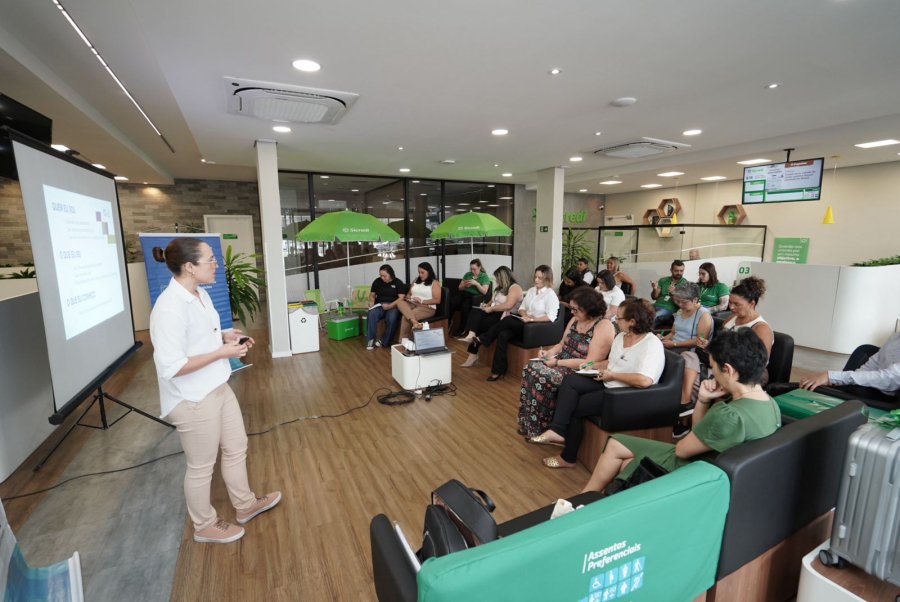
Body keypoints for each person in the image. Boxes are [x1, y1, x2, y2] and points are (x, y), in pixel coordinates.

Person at [149, 237, 280, 544]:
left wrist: (224, 335)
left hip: (217, 385)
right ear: (189, 267)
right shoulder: (168, 309)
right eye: (210, 260)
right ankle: (204, 524)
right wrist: (222, 352)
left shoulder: (200, 295)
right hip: (192, 398)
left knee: (236, 448)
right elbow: (172, 366)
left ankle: (245, 505)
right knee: (201, 466)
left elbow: (197, 337)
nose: (216, 265)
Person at [581, 329, 781, 494]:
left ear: (728, 370)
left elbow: (682, 450)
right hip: (712, 468)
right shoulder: (770, 404)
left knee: (623, 457)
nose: (713, 374)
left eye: (713, 368)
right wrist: (702, 399)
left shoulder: (729, 415)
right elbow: (702, 434)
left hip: (695, 471)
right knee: (617, 446)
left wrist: (705, 402)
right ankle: (586, 499)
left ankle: (584, 501)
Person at [537, 299, 665, 468]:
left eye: (619, 318)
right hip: (611, 381)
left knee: (576, 407)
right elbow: (612, 363)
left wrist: (612, 375)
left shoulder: (651, 344)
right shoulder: (621, 336)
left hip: (627, 394)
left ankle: (567, 457)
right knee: (570, 381)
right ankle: (558, 429)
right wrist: (593, 365)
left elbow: (644, 380)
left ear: (632, 322)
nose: (615, 321)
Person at [518, 288, 615, 439]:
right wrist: (548, 353)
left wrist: (557, 362)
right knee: (529, 369)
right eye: (572, 308)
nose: (572, 312)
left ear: (589, 308)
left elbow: (590, 361)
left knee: (543, 376)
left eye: (576, 309)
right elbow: (562, 344)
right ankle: (530, 423)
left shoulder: (603, 325)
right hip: (561, 361)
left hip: (578, 369)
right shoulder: (576, 319)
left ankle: (544, 427)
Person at [471, 265, 560, 381]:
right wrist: (526, 316)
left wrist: (532, 319)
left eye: (540, 278)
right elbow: (521, 308)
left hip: (536, 328)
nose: (536, 280)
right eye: (535, 277)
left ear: (547, 279)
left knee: (507, 319)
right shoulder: (531, 291)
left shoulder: (550, 295)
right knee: (502, 334)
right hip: (525, 323)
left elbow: (551, 317)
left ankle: (483, 339)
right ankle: (497, 371)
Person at [660, 282, 714, 438]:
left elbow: (699, 340)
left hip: (692, 352)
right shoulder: (679, 311)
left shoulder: (703, 315)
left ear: (695, 299)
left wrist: (675, 343)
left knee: (683, 359)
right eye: (678, 301)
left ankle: (684, 411)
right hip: (674, 347)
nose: (680, 305)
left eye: (684, 302)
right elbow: (673, 332)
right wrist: (664, 339)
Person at [799, 332, 900, 397]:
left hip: (890, 401)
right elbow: (871, 366)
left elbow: (889, 380)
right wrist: (838, 381)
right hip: (871, 389)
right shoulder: (895, 337)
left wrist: (831, 377)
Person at [459, 267, 524, 367]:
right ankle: (470, 335)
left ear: (504, 277)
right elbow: (493, 301)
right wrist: (486, 305)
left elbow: (508, 305)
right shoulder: (499, 288)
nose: (497, 280)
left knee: (481, 325)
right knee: (475, 311)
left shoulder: (515, 288)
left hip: (504, 314)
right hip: (494, 311)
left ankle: (473, 353)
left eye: (498, 278)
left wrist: (491, 309)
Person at [722, 277, 774, 365]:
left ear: (752, 304)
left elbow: (760, 363)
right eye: (730, 302)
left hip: (748, 374)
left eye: (737, 304)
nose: (731, 307)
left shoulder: (761, 328)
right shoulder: (730, 319)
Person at [397, 262, 442, 340]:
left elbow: (437, 300)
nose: (420, 275)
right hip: (412, 303)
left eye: (422, 272)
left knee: (405, 317)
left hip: (427, 308)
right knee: (399, 302)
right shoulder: (416, 280)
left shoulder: (434, 283)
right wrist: (409, 298)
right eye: (419, 272)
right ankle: (415, 322)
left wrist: (421, 301)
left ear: (429, 272)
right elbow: (409, 294)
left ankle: (401, 343)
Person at [366, 264, 405, 350]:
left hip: (393, 305)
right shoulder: (377, 281)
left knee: (392, 318)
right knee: (371, 313)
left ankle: (384, 341)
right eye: (381, 275)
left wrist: (390, 306)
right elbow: (372, 294)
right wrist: (372, 301)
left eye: (384, 276)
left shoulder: (398, 282)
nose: (382, 278)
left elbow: (401, 298)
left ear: (390, 274)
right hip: (380, 305)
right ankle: (371, 339)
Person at [449, 259, 491, 337]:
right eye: (471, 269)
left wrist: (476, 284)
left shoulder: (484, 276)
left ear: (479, 267)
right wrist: (465, 285)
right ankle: (448, 322)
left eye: (474, 269)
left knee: (464, 307)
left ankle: (461, 329)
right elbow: (459, 288)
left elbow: (485, 291)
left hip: (474, 297)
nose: (472, 271)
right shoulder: (467, 274)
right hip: (465, 294)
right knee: (452, 302)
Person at [650, 260, 686, 326]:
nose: (679, 273)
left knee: (652, 318)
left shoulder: (685, 284)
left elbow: (682, 304)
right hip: (656, 305)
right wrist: (654, 289)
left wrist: (674, 293)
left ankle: (642, 335)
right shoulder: (663, 280)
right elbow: (654, 297)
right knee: (639, 312)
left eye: (681, 271)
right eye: (676, 271)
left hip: (669, 309)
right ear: (671, 270)